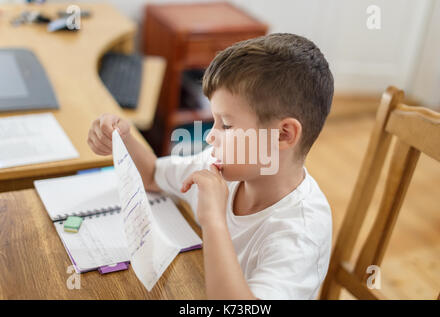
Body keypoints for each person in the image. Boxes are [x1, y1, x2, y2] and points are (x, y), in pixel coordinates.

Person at [88, 33, 334, 299]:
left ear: (283, 135)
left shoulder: (300, 234)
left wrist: (213, 220)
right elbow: (151, 175)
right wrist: (123, 138)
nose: (210, 136)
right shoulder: (220, 166)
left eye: (226, 125)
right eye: (214, 120)